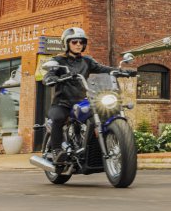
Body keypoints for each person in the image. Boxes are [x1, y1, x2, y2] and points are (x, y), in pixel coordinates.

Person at [41, 26, 125, 158]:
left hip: (82, 102)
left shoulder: (87, 61)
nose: (78, 44)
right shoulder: (58, 61)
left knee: (101, 114)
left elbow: (104, 69)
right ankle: (56, 150)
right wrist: (52, 78)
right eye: (74, 42)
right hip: (62, 103)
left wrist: (120, 71)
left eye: (81, 42)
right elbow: (48, 75)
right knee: (57, 118)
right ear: (66, 43)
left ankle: (94, 148)